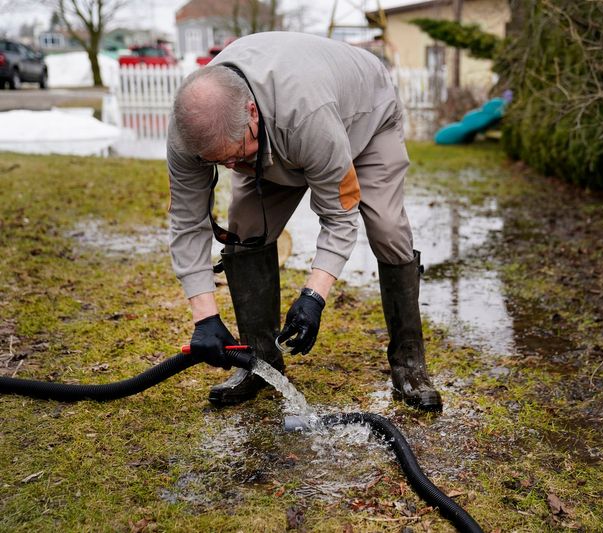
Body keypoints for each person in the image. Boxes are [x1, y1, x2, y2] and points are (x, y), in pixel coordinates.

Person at [166, 31, 442, 412]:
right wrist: (205, 318)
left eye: (234, 155)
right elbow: (186, 222)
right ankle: (259, 362)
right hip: (275, 134)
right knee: (244, 229)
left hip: (363, 120)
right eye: (220, 162)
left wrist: (314, 295)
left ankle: (409, 363)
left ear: (250, 112)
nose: (232, 168)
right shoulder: (190, 131)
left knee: (387, 229)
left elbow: (340, 215)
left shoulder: (307, 114)